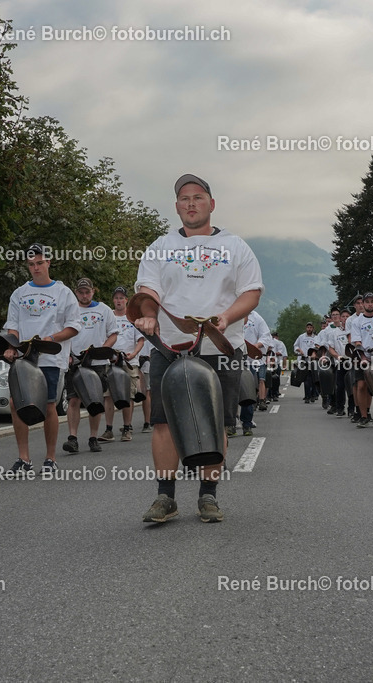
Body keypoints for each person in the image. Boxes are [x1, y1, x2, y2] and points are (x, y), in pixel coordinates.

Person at [134, 174, 263, 524]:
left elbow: (251, 292)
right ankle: (165, 498)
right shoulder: (160, 246)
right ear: (177, 207)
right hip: (171, 347)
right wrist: (148, 317)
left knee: (216, 422)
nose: (191, 203)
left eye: (198, 197)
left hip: (221, 347)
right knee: (162, 422)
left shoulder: (236, 246)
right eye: (184, 198)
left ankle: (208, 497)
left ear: (212, 204)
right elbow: (149, 293)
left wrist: (225, 317)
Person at [3, 244, 80, 474]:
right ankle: (24, 459)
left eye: (39, 263)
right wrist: (11, 346)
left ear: (48, 262)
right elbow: (13, 326)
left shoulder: (63, 292)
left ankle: (50, 458)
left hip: (50, 358)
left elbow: (74, 327)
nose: (35, 268)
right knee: (16, 404)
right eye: (31, 264)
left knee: (48, 406)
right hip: (25, 358)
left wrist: (51, 338)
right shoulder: (20, 293)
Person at [64, 278, 118, 454]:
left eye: (87, 292)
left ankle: (93, 437)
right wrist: (68, 355)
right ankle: (72, 438)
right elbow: (65, 334)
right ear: (76, 292)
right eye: (81, 292)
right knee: (73, 399)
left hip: (97, 361)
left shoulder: (104, 310)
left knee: (94, 400)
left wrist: (103, 350)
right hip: (76, 361)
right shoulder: (70, 309)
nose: (85, 295)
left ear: (93, 291)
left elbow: (113, 334)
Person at [101, 286, 145, 443]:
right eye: (116, 298)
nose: (119, 300)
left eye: (121, 298)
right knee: (108, 396)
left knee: (128, 395)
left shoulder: (132, 317)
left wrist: (134, 354)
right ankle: (108, 429)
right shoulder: (108, 316)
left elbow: (141, 339)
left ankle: (127, 428)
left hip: (128, 361)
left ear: (126, 300)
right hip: (110, 361)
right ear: (113, 300)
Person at [348, 292, 373, 428]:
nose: (369, 304)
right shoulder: (357, 321)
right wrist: (363, 357)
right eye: (366, 301)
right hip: (363, 354)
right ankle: (363, 415)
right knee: (361, 385)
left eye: (372, 301)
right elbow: (356, 341)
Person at [242, 310, 272, 435]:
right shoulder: (230, 313)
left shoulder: (256, 318)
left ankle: (247, 422)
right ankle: (230, 422)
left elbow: (266, 336)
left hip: (250, 359)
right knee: (231, 391)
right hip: (230, 357)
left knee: (247, 390)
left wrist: (257, 345)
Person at [293, 322, 319, 403]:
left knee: (314, 378)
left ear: (313, 328)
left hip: (313, 360)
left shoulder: (316, 337)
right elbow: (295, 345)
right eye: (308, 327)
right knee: (306, 379)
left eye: (311, 327)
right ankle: (307, 396)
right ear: (306, 328)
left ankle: (313, 395)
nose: (309, 329)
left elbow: (319, 346)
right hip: (304, 359)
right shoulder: (301, 337)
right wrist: (299, 350)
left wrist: (316, 352)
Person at [267, 331, 287, 400]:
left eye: (275, 336)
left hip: (276, 363)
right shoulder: (266, 341)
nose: (273, 337)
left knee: (276, 379)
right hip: (268, 363)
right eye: (273, 336)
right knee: (268, 379)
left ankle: (275, 394)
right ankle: (268, 395)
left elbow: (280, 352)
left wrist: (274, 353)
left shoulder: (278, 343)